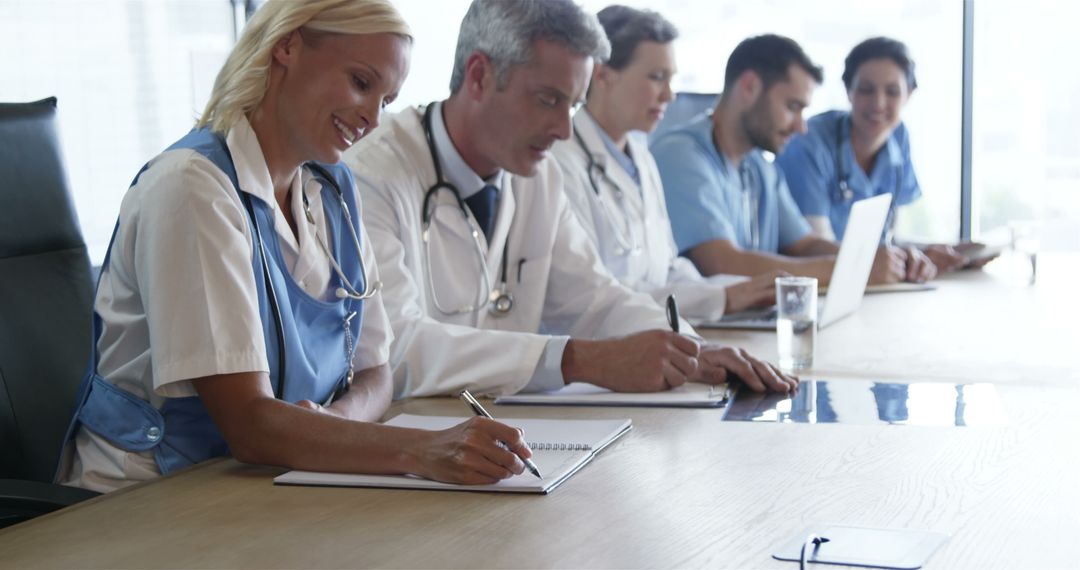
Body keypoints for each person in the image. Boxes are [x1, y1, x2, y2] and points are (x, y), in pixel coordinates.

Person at [61, 0, 533, 493]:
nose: (373, 118)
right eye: (360, 82)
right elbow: (249, 425)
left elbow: (377, 372)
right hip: (148, 499)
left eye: (387, 101)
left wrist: (338, 421)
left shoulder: (332, 190)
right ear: (286, 46)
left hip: (266, 484)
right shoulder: (191, 189)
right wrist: (425, 450)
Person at [344, 0, 797, 400]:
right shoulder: (371, 174)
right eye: (548, 100)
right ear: (480, 75)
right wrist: (575, 360)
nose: (564, 130)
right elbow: (395, 350)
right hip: (408, 453)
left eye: (573, 106)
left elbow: (594, 299)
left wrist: (689, 348)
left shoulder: (536, 176)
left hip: (501, 443)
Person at [550, 5, 782, 322]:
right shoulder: (560, 163)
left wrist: (741, 291)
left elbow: (668, 267)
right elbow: (595, 294)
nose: (669, 96)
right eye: (657, 78)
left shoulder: (641, 156)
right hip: (603, 356)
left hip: (655, 339)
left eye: (671, 79)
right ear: (602, 74)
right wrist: (719, 297)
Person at [652, 34, 935, 286]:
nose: (801, 127)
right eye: (792, 107)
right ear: (749, 87)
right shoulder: (682, 154)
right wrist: (852, 269)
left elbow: (803, 243)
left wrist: (885, 259)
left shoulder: (760, 168)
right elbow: (721, 262)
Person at [776, 37, 970, 272]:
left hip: (867, 283)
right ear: (848, 90)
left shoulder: (899, 137)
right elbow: (814, 249)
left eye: (892, 91)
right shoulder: (807, 142)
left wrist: (943, 253)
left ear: (909, 93)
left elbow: (886, 239)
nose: (878, 103)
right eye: (866, 90)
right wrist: (893, 259)